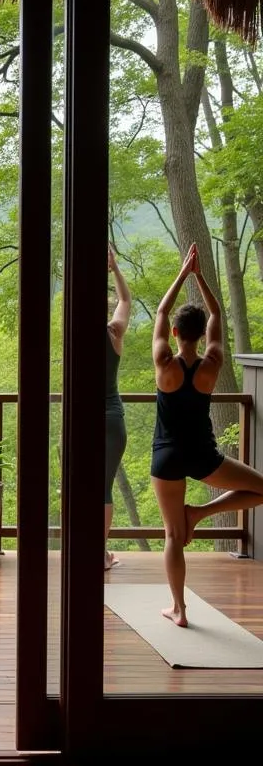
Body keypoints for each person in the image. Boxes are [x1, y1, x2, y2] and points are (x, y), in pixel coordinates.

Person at [151, 243, 263, 627]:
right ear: (201, 335)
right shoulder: (211, 364)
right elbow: (217, 312)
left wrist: (183, 273)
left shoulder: (164, 363)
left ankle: (179, 610)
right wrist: (200, 277)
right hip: (202, 456)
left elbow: (162, 312)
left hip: (166, 457)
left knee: (172, 535)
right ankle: (201, 513)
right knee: (261, 488)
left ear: (177, 332)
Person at [105, 246, 132, 569]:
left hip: (80, 420)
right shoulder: (114, 333)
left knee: (81, 483)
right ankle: (101, 552)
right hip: (112, 418)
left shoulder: (73, 336)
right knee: (103, 487)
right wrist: (115, 268)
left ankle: (90, 548)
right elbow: (125, 301)